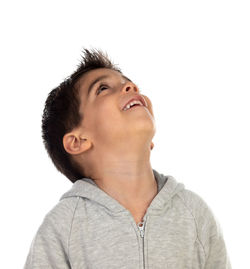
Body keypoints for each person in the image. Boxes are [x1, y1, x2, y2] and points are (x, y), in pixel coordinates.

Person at [24, 49, 232, 268]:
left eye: (130, 83)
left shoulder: (195, 214)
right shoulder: (63, 228)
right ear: (78, 141)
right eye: (103, 88)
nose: (131, 87)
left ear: (150, 142)